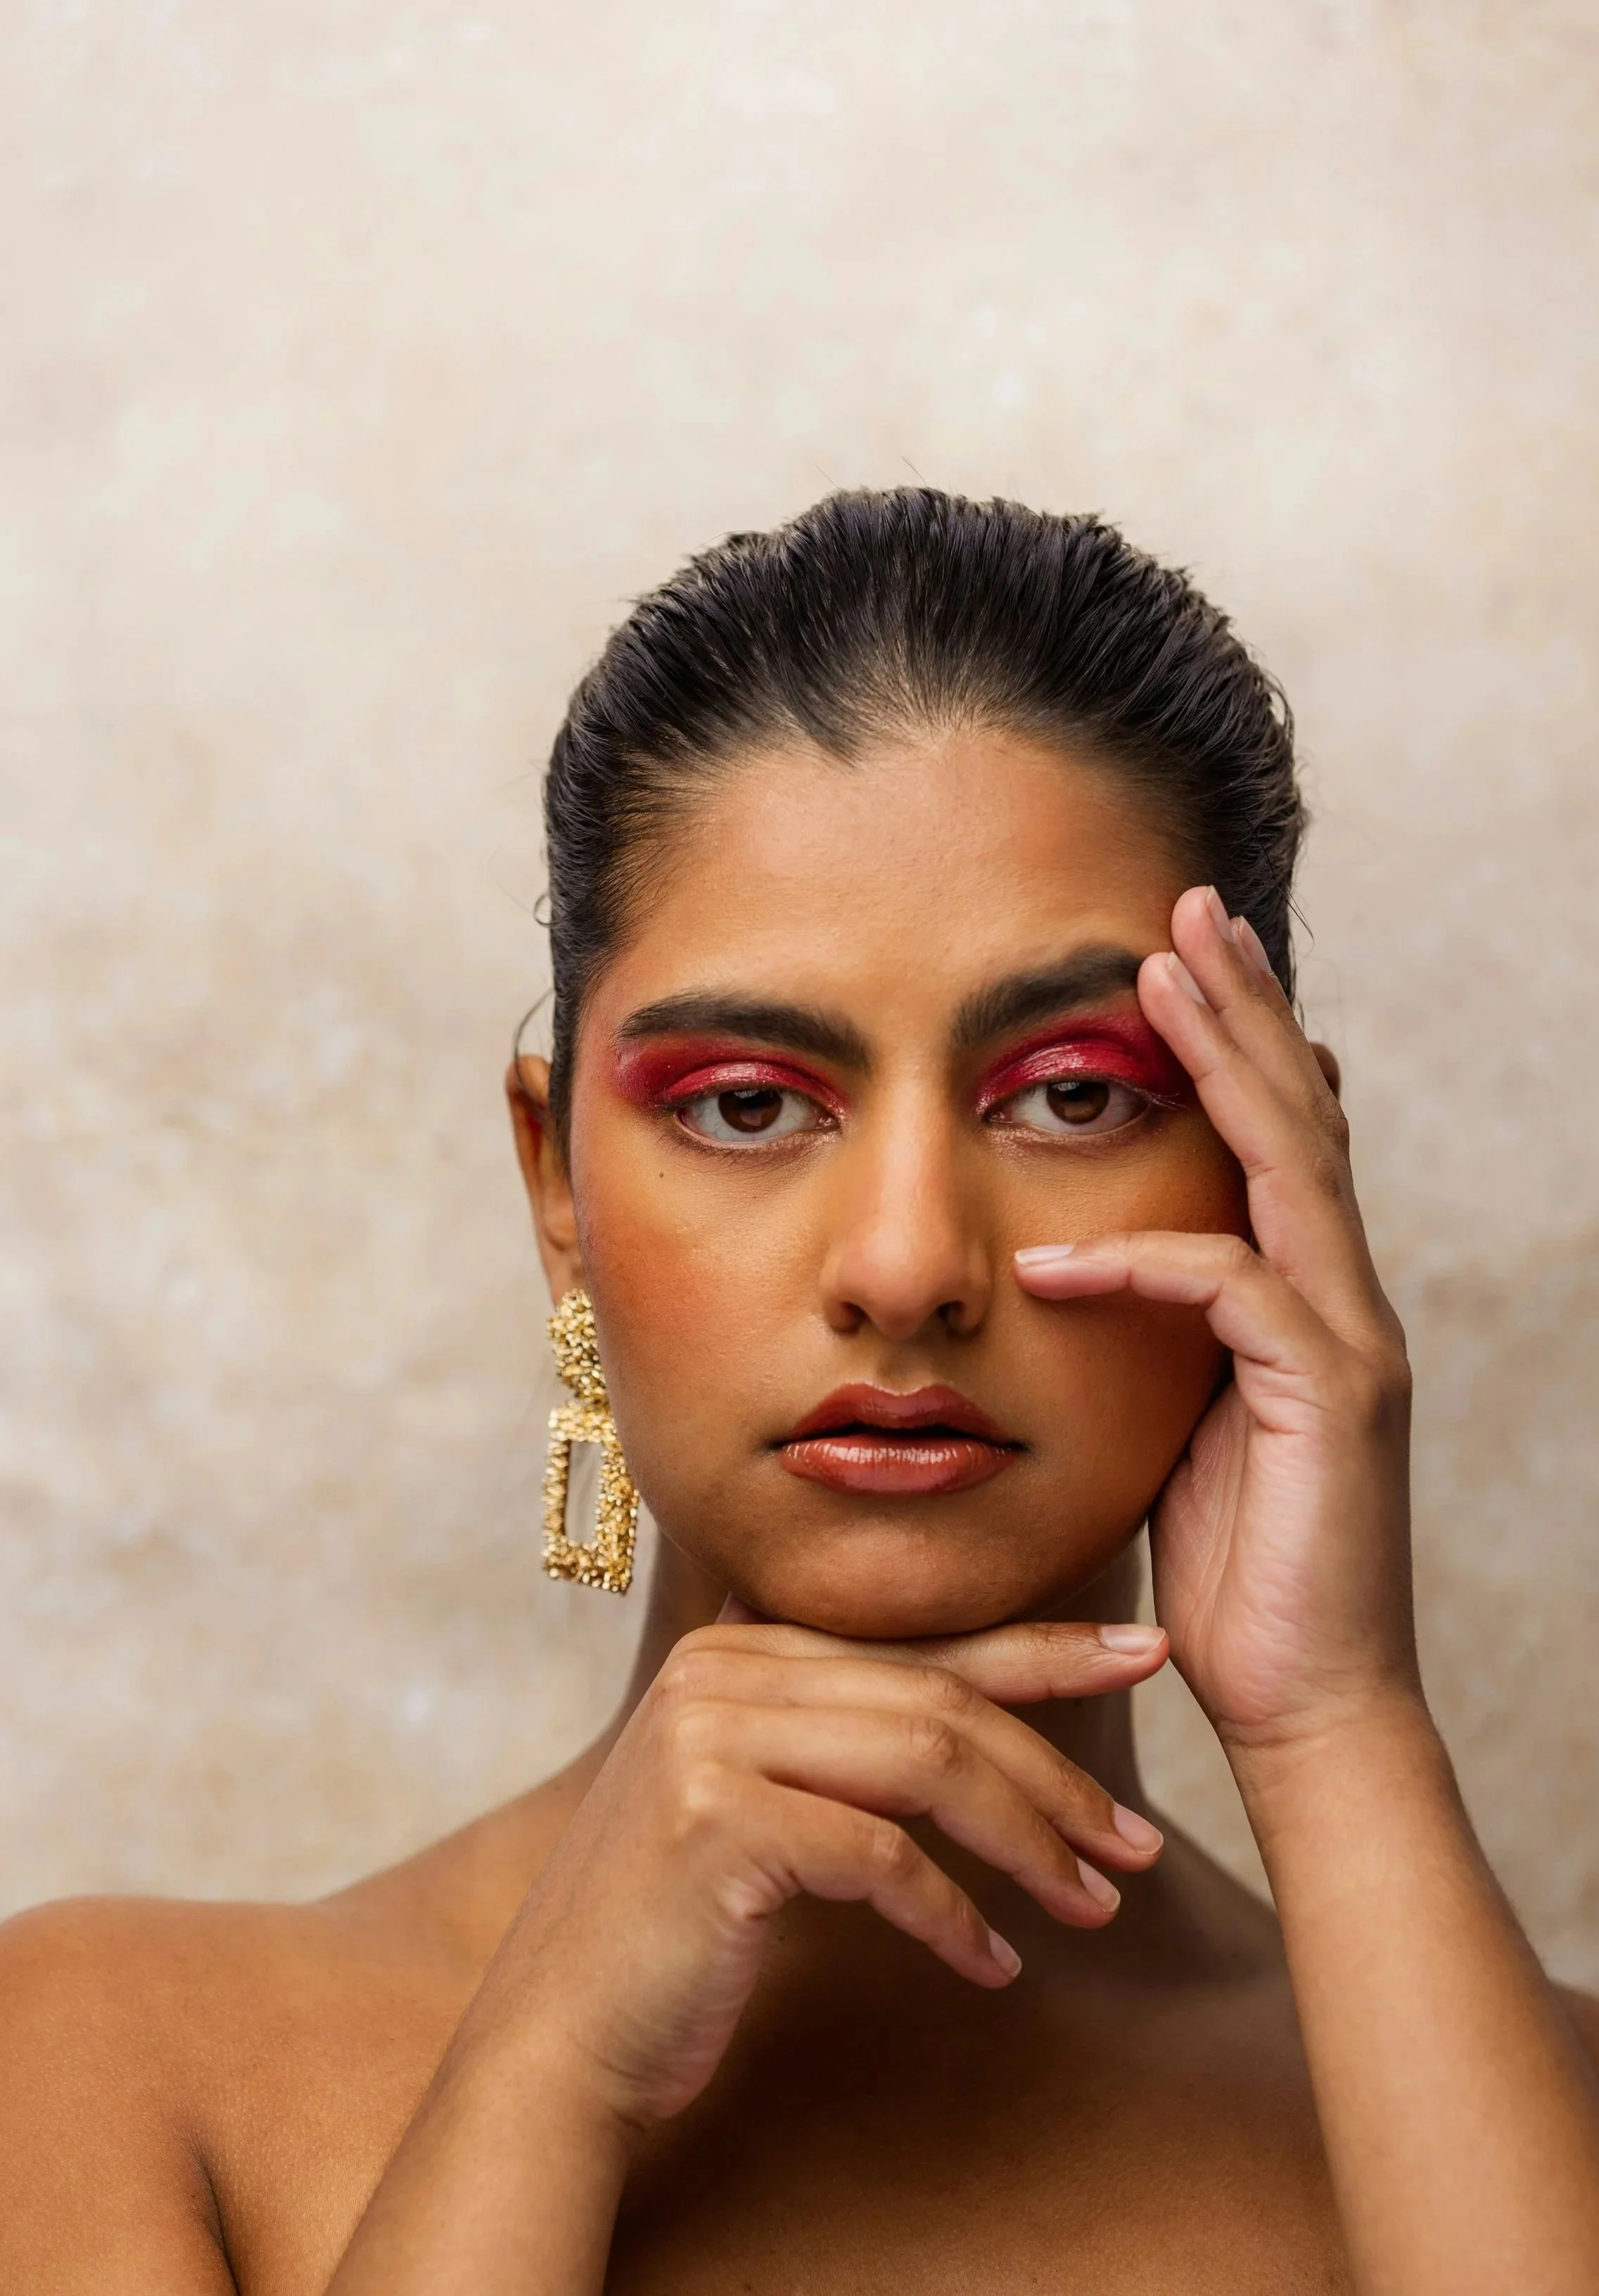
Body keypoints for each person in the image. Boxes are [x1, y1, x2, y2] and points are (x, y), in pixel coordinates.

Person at [1, 490, 1595, 2295]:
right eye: (747, 1104)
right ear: (557, 1189)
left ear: (1271, 1166)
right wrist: (544, 2076)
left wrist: (1336, 1726)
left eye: (1070, 1093)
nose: (906, 1263)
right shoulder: (112, 2062)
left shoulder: (1548, 2135)